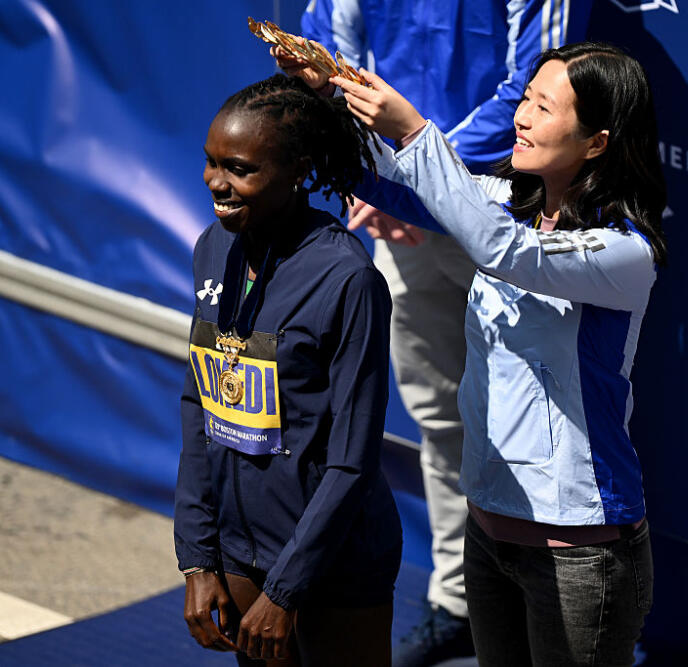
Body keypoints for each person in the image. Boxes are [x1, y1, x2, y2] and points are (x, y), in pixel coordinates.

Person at [285, 41, 666, 666]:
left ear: (597, 142)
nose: (522, 116)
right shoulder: (499, 202)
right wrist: (326, 93)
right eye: (524, 99)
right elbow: (386, 182)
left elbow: (502, 252)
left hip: (579, 552)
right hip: (488, 529)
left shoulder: (624, 251)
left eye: (543, 107)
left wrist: (413, 128)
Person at [174, 74, 403, 667]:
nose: (217, 184)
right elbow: (200, 406)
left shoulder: (347, 281)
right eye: (211, 162)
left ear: (299, 171)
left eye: (240, 169)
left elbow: (353, 460)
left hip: (333, 563)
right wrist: (199, 557)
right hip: (241, 550)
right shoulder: (212, 248)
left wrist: (286, 589)